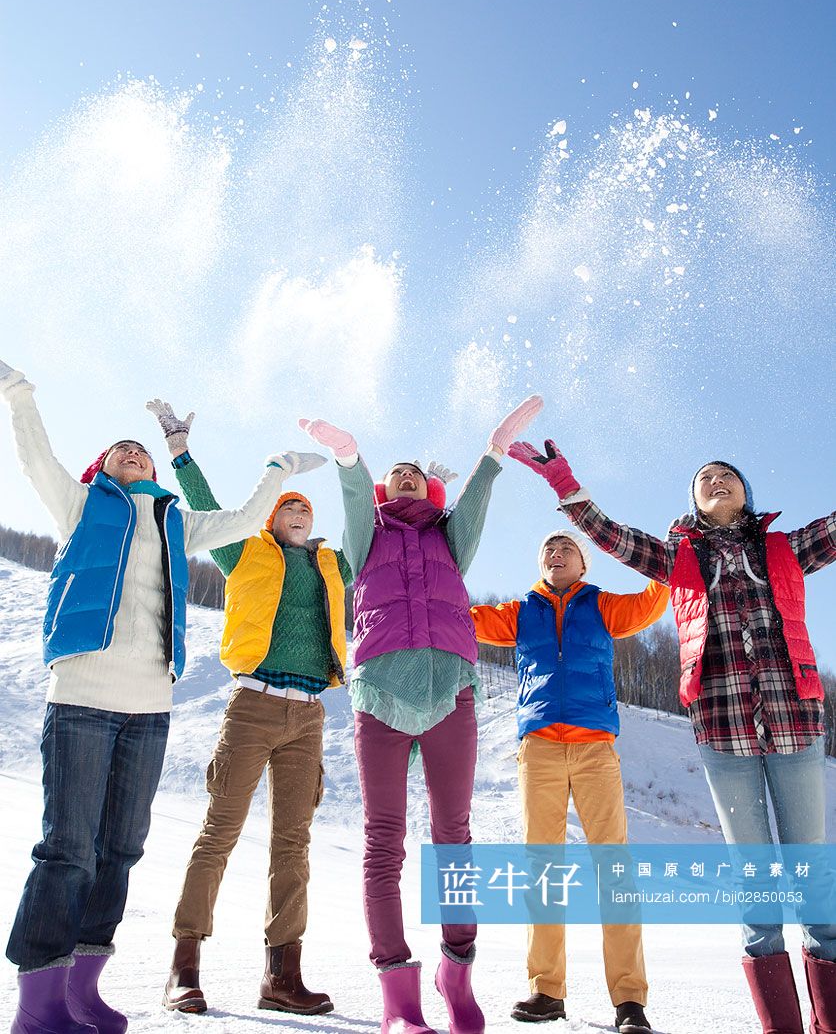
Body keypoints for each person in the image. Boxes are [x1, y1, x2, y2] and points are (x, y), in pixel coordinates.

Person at [0, 360, 321, 1034]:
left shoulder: (178, 522)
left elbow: (242, 519)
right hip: (84, 695)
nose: (135, 451)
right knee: (68, 847)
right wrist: (18, 392)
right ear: (104, 467)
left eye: (142, 450)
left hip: (149, 707)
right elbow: (33, 457)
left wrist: (278, 467)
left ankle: (83, 987)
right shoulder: (81, 503)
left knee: (120, 847)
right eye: (123, 449)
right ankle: (38, 1003)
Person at [509, 440, 836, 1034]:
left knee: (813, 876)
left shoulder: (784, 547)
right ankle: (782, 1027)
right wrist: (561, 477)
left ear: (745, 494)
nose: (715, 481)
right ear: (693, 502)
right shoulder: (679, 560)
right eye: (704, 478)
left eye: (726, 476)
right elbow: (608, 533)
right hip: (721, 728)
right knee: (756, 884)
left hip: (795, 722)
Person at [300, 395, 543, 1034]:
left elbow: (477, 505)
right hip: (380, 690)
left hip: (450, 691)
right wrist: (349, 457)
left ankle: (456, 974)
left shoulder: (447, 536)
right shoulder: (368, 535)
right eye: (395, 473)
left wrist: (493, 453)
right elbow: (355, 502)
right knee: (384, 841)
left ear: (430, 488)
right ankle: (398, 1001)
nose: (404, 477)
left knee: (454, 837)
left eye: (415, 473)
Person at [145, 400, 350, 1017]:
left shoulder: (331, 566)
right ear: (268, 517)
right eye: (284, 505)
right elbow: (207, 508)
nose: (293, 510)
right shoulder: (246, 553)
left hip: (309, 714)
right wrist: (180, 451)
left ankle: (282, 975)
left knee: (293, 843)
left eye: (302, 507)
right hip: (253, 704)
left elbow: (372, 536)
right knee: (220, 833)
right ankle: (184, 966)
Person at [471, 529, 668, 1032]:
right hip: (538, 747)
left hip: (595, 748)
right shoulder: (521, 612)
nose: (556, 554)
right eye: (548, 550)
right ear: (541, 564)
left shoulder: (601, 606)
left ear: (584, 564)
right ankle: (546, 989)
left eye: (567, 549)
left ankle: (629, 1000)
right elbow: (458, 617)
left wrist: (669, 556)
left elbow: (652, 600)